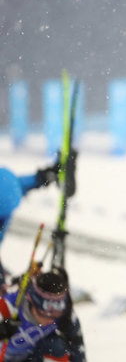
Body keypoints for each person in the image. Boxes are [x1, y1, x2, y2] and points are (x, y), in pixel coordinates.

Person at [0, 155, 75, 283]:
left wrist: (43, 177)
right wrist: (43, 177)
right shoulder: (10, 184)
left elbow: (20, 184)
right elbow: (20, 184)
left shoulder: (10, 186)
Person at [0, 269, 86, 361]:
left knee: (57, 346)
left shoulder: (65, 313)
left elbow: (77, 343)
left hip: (30, 356)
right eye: (45, 314)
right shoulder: (8, 306)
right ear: (32, 303)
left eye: (56, 314)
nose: (51, 320)